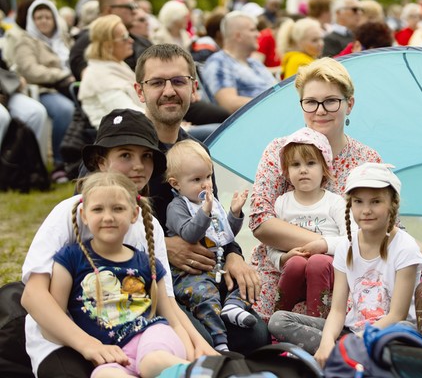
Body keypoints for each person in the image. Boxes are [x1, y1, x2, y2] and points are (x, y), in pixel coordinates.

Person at [249, 57, 422, 322]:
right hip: (279, 270)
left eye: (331, 101)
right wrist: (324, 244)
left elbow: (391, 233)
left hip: (346, 280)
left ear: (349, 104)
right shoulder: (281, 150)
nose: (320, 110)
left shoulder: (365, 160)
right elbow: (261, 222)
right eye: (311, 102)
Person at [22, 109, 217, 378]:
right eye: (125, 155)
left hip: (134, 337)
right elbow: (34, 296)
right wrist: (88, 345)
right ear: (101, 162)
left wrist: (200, 347)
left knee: (168, 359)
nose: (138, 165)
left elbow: (166, 303)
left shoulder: (148, 225)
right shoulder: (69, 213)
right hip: (64, 339)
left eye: (146, 156)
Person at [133, 43, 271, 354]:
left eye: (179, 81)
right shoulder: (126, 150)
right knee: (204, 343)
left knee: (255, 337)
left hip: (204, 274)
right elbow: (89, 223)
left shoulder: (196, 152)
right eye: (157, 82)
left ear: (194, 88)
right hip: (148, 281)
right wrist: (162, 247)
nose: (169, 91)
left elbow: (216, 213)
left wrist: (233, 253)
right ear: (140, 91)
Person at [268, 163, 422, 366]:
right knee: (279, 320)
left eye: (376, 202)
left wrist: (353, 342)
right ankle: (341, 355)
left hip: (390, 334)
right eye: (359, 202)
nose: (366, 210)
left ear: (392, 204)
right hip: (350, 331)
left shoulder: (405, 247)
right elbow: (337, 311)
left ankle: (344, 356)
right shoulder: (346, 246)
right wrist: (326, 342)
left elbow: (397, 314)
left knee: (400, 332)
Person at [50, 171, 193, 377]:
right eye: (98, 209)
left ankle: (202, 373)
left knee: (152, 362)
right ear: (84, 215)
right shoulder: (71, 258)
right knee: (103, 376)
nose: (108, 217)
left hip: (152, 338)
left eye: (118, 209)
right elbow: (57, 314)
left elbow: (173, 319)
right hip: (110, 354)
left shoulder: (146, 261)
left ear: (134, 214)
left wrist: (190, 357)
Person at [165, 139, 256, 352]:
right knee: (207, 297)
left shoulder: (211, 203)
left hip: (216, 266)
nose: (205, 184)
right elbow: (189, 234)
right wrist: (204, 212)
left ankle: (234, 306)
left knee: (244, 279)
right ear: (176, 183)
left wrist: (234, 213)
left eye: (207, 177)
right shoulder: (177, 207)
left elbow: (226, 234)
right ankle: (220, 342)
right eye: (196, 179)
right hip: (190, 273)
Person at [270, 127, 349, 317]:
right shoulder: (282, 203)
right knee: (296, 262)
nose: (303, 170)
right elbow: (271, 245)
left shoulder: (335, 202)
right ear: (287, 173)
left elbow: (352, 239)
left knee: (317, 262)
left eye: (311, 163)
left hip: (326, 269)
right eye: (295, 165)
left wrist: (324, 244)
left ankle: (316, 324)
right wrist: (283, 258)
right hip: (295, 270)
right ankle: (279, 321)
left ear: (325, 169)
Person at [10, 0, 75, 182]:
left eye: (48, 17)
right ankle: (59, 164)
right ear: (32, 20)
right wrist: (60, 75)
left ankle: (80, 161)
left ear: (55, 19)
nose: (44, 21)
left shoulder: (63, 40)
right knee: (65, 110)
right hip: (45, 90)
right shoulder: (26, 41)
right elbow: (29, 70)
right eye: (39, 17)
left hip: (70, 86)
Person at [200, 11, 276, 114]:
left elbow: (277, 89)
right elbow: (229, 104)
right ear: (238, 36)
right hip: (253, 122)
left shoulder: (254, 63)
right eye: (253, 30)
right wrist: (273, 102)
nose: (258, 34)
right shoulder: (219, 62)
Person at [78, 15, 144, 128]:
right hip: (123, 138)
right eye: (124, 37)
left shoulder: (116, 65)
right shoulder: (99, 75)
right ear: (107, 45)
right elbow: (129, 115)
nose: (131, 40)